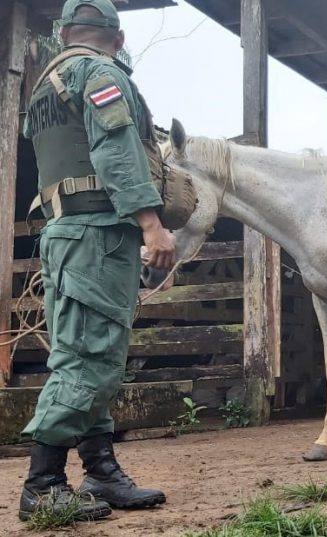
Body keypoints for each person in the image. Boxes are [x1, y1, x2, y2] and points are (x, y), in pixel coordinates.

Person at [19, 0, 176, 522]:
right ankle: (42, 483)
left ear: (64, 33)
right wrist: (151, 224)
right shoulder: (99, 72)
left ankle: (100, 469)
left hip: (65, 232)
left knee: (90, 351)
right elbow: (114, 147)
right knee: (89, 357)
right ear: (119, 35)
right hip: (96, 233)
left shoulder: (45, 83)